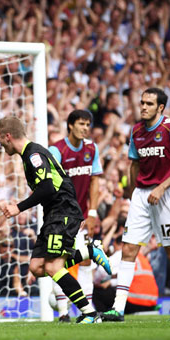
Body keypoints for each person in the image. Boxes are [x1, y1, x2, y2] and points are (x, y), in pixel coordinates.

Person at [0, 116, 110, 324]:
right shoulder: (29, 154)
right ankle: (88, 251)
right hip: (55, 213)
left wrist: (18, 208)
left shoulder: (34, 154)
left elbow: (48, 188)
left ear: (8, 136)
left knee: (52, 267)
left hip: (62, 212)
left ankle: (89, 314)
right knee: (37, 267)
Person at [103, 88, 170, 322]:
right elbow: (134, 163)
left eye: (149, 104)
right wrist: (132, 193)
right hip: (141, 196)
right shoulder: (136, 131)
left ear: (160, 107)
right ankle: (118, 308)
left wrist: (162, 187)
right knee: (129, 248)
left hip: (166, 195)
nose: (143, 107)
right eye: (142, 102)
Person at [48, 109, 103, 322]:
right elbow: (50, 184)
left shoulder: (91, 148)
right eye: (81, 124)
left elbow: (95, 180)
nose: (85, 128)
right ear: (70, 125)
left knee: (87, 261)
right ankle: (63, 313)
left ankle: (85, 310)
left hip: (82, 216)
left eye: (88, 125)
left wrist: (92, 212)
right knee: (57, 261)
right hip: (61, 216)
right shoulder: (57, 150)